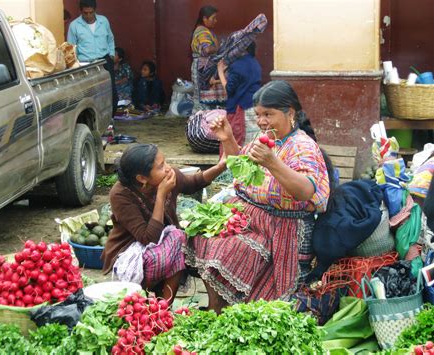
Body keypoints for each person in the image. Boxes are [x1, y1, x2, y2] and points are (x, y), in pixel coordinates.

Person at [183, 80, 330, 313]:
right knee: (200, 235)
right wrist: (227, 138)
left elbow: (305, 191)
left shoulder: (302, 146)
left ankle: (221, 307)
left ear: (289, 112)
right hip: (251, 218)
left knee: (225, 251)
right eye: (259, 114)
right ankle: (218, 305)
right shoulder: (266, 139)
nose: (261, 121)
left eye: (268, 115)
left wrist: (272, 162)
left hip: (282, 229)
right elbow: (242, 167)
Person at [101, 144, 226, 301]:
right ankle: (137, 301)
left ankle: (164, 306)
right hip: (132, 251)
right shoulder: (120, 194)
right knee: (177, 236)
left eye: (165, 162)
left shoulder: (166, 175)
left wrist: (221, 166)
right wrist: (161, 195)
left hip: (164, 247)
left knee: (185, 243)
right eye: (161, 166)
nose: (168, 169)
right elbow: (148, 238)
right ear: (141, 178)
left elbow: (193, 182)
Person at [67, 0, 117, 116]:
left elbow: (110, 39)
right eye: (85, 13)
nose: (88, 16)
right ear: (81, 11)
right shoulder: (74, 26)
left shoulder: (103, 21)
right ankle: (95, 119)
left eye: (91, 12)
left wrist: (112, 54)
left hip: (104, 61)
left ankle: (110, 119)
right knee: (89, 95)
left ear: (95, 10)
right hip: (86, 65)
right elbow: (71, 49)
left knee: (110, 92)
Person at [216, 41, 262, 149]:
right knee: (252, 143)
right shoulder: (255, 62)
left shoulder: (237, 65)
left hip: (241, 108)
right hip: (254, 106)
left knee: (237, 143)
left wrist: (220, 72)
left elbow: (229, 90)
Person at [191, 5, 224, 113]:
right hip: (202, 67)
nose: (216, 20)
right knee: (201, 99)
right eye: (213, 18)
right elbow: (208, 49)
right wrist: (221, 48)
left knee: (203, 97)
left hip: (204, 67)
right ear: (205, 18)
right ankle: (198, 123)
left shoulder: (206, 31)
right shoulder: (202, 31)